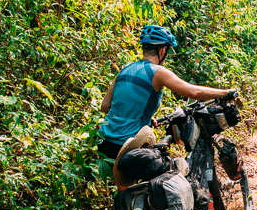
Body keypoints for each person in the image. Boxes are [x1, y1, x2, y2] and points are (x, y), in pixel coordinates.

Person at [96, 25, 235, 162]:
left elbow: (105, 106)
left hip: (103, 142)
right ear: (162, 51)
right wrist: (225, 92)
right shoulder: (157, 72)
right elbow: (194, 92)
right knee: (172, 170)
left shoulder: (125, 70)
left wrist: (140, 117)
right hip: (128, 147)